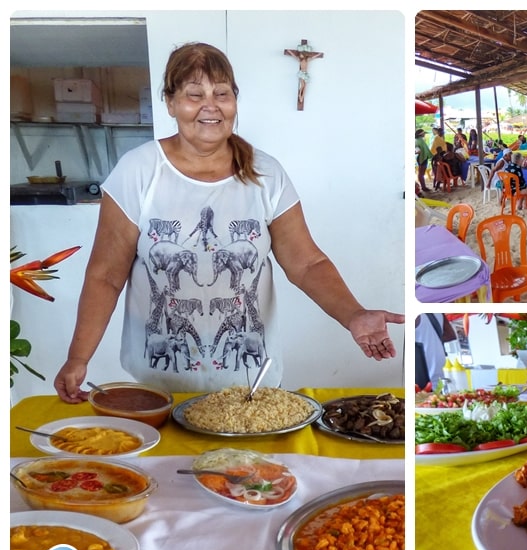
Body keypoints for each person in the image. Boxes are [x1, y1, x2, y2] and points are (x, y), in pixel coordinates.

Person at [53, 42, 404, 403]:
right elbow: (106, 275)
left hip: (250, 383)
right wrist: (79, 357)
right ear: (171, 102)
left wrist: (354, 315)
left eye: (222, 93)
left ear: (234, 101)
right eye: (194, 94)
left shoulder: (265, 173)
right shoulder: (138, 171)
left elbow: (306, 263)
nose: (210, 106)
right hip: (158, 387)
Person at [415, 313, 457, 391]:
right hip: (440, 379)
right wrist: (433, 342)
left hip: (423, 385)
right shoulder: (439, 313)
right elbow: (450, 335)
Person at [416, 127, 433, 192]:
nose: (425, 134)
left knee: (421, 173)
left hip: (423, 158)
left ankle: (423, 186)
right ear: (421, 134)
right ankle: (423, 187)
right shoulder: (418, 141)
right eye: (424, 133)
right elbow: (417, 149)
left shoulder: (420, 140)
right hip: (422, 158)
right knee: (421, 173)